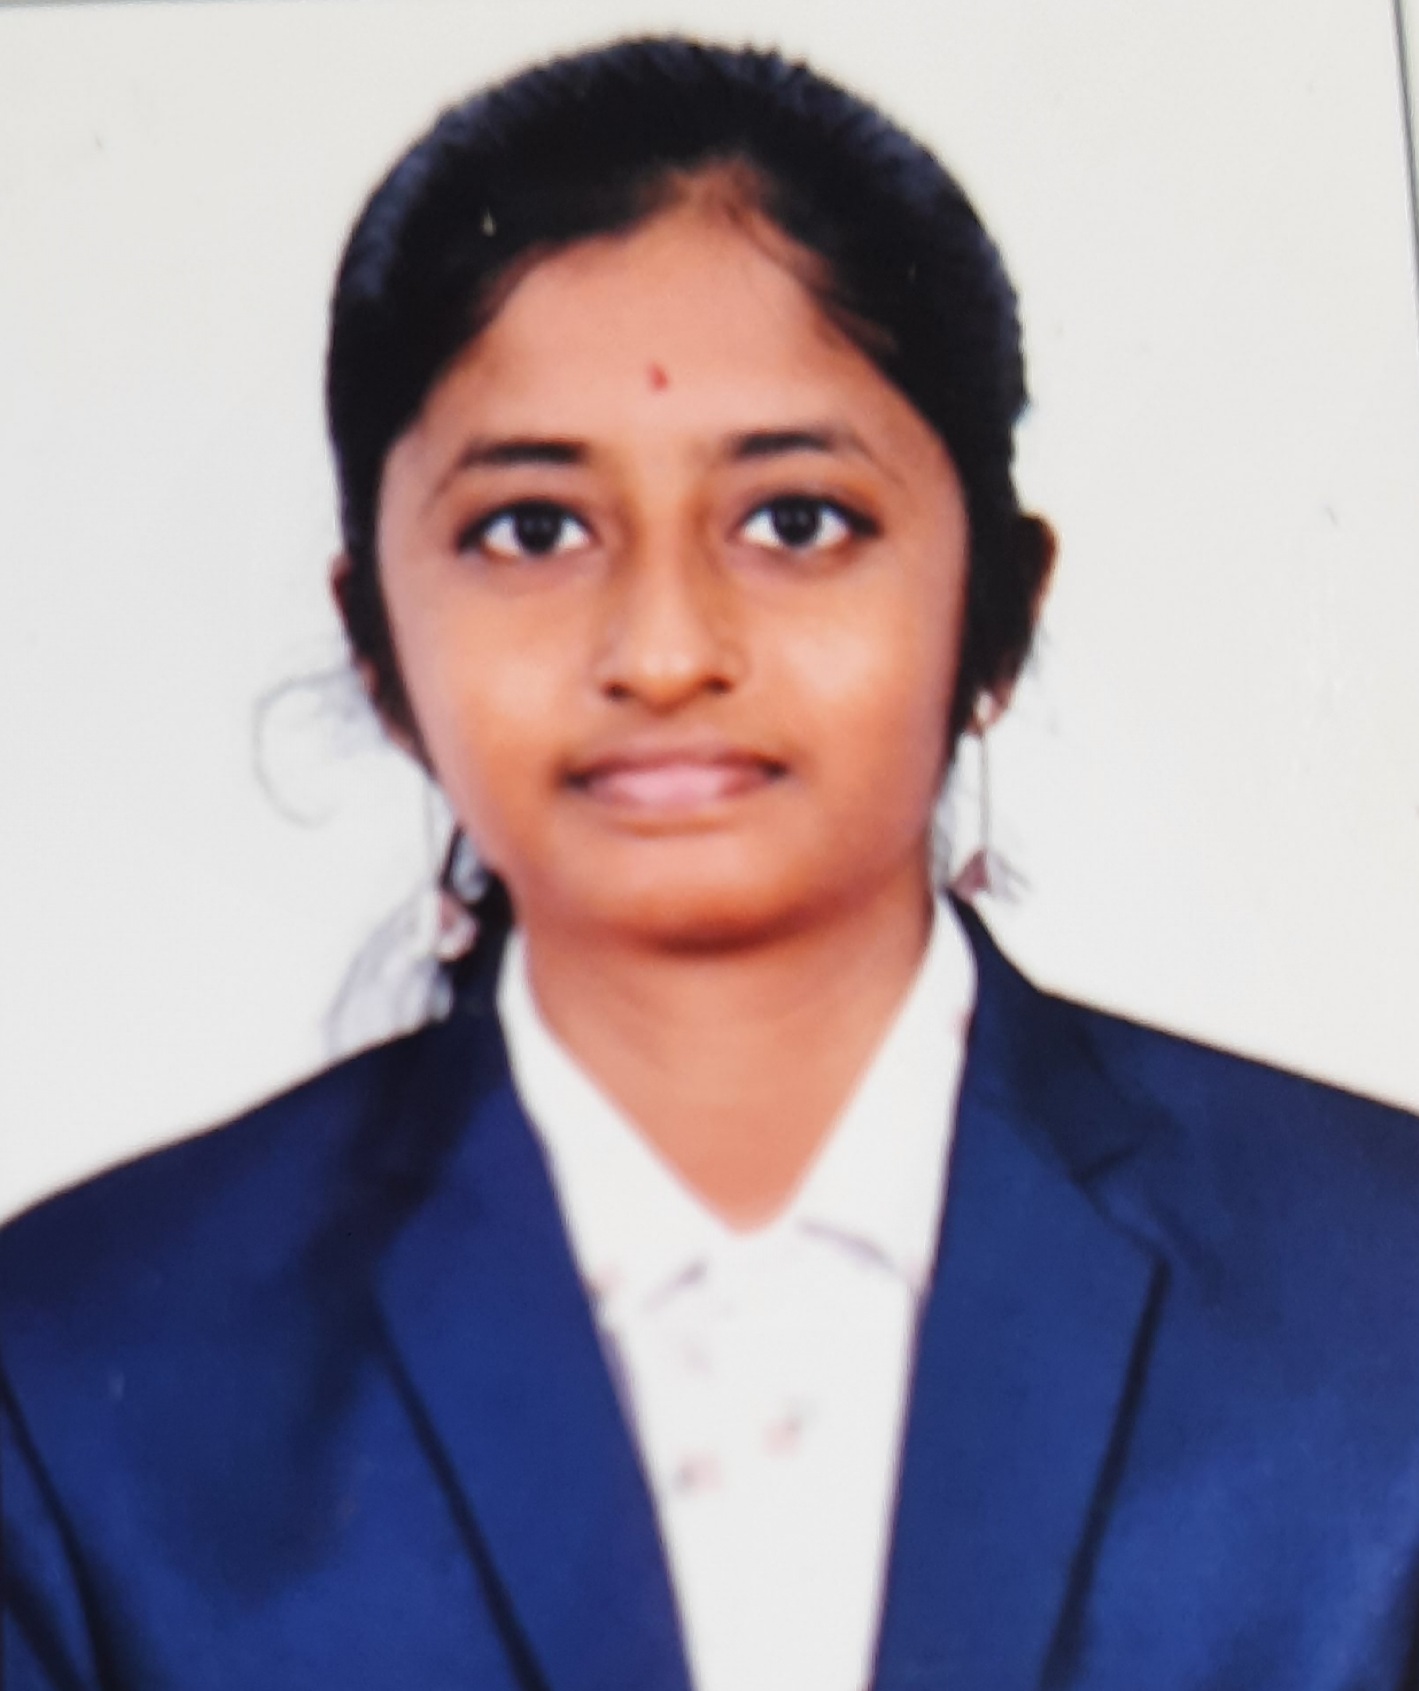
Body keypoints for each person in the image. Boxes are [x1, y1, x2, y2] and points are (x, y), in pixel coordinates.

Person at [4, 35, 1419, 1691]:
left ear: (999, 610)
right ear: (374, 638)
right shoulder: (73, 1376)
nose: (666, 651)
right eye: (533, 529)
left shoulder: (1380, 1292)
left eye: (796, 520)